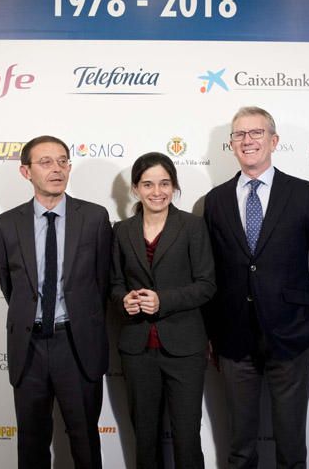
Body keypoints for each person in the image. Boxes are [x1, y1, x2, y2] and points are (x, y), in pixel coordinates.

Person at [204, 107, 309, 469]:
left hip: (292, 336)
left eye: (256, 133)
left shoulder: (304, 194)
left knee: (291, 446)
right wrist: (212, 333)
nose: (247, 141)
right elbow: (209, 274)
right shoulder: (214, 201)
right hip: (234, 340)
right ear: (230, 145)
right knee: (240, 447)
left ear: (274, 141)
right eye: (239, 135)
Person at [0, 135, 111, 469]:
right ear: (25, 172)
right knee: (31, 443)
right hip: (28, 347)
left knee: (85, 439)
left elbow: (102, 282)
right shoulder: (5, 225)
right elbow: (10, 283)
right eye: (45, 162)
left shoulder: (94, 217)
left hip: (77, 343)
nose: (56, 169)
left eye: (62, 161)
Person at [110, 152, 216, 469]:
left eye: (165, 183)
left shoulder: (193, 226)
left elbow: (206, 284)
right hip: (137, 348)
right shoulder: (121, 230)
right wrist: (123, 301)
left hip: (185, 348)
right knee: (144, 437)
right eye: (148, 184)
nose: (157, 192)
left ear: (174, 186)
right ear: (135, 189)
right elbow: (114, 283)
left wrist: (163, 300)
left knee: (186, 437)